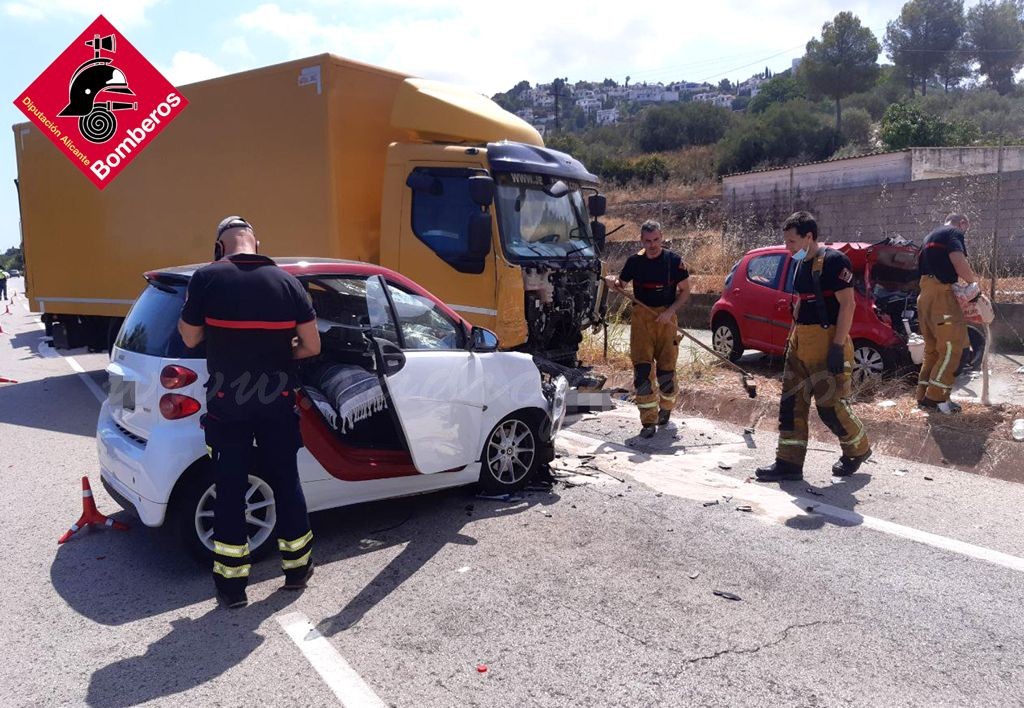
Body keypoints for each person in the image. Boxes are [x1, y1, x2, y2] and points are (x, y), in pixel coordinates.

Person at [178, 216, 321, 609]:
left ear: (220, 246)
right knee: (286, 482)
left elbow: (190, 337)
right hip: (276, 400)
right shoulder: (288, 283)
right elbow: (311, 347)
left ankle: (232, 587)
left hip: (228, 404)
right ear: (257, 243)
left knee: (230, 489)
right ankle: (296, 570)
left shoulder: (206, 279)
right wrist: (277, 353)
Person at [756, 211, 871, 482]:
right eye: (786, 241)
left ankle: (858, 449)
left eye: (792, 241)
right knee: (791, 404)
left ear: (809, 237)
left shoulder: (833, 261)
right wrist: (791, 339)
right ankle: (788, 463)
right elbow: (802, 303)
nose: (788, 247)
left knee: (829, 406)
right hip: (800, 344)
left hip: (827, 341)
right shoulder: (800, 264)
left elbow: (848, 305)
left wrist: (837, 345)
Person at [604, 220, 690, 438]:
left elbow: (685, 291)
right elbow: (620, 285)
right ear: (641, 240)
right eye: (648, 241)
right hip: (642, 320)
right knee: (642, 372)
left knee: (666, 373)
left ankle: (666, 410)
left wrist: (670, 312)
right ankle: (648, 421)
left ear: (662, 237)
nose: (653, 245)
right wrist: (612, 281)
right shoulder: (634, 262)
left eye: (656, 240)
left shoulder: (674, 261)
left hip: (666, 320)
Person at [916, 213, 979, 415]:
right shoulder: (953, 232)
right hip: (942, 297)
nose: (964, 232)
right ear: (962, 223)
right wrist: (973, 285)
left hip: (924, 295)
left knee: (932, 351)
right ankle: (936, 399)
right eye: (965, 228)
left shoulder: (928, 237)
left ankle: (923, 395)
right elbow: (958, 261)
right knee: (953, 350)